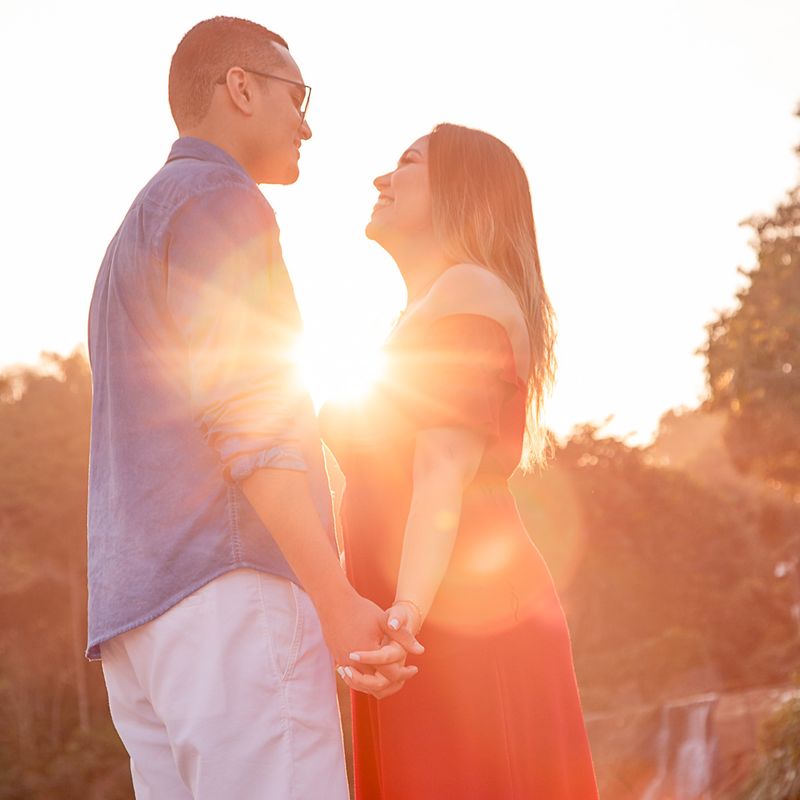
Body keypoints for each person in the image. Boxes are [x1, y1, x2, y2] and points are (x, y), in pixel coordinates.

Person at [86, 17, 417, 799]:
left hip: (140, 624)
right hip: (230, 598)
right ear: (240, 87)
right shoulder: (217, 198)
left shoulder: (135, 230)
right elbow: (251, 415)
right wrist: (333, 598)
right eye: (296, 95)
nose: (307, 122)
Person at [321, 124, 599, 798]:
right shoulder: (417, 316)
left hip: (457, 624)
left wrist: (405, 618)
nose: (381, 180)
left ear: (461, 194)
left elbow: (440, 476)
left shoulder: (468, 291)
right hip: (411, 628)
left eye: (407, 163)